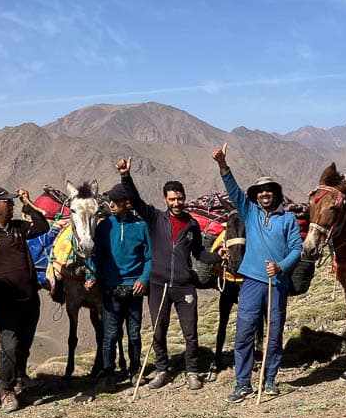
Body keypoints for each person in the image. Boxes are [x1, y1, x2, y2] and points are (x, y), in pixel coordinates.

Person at [114, 158, 222, 391]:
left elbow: (199, 253)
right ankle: (162, 370)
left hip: (184, 286)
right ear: (165, 199)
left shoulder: (192, 225)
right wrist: (125, 176)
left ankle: (192, 371)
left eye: (180, 198)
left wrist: (218, 256)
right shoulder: (155, 218)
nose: (176, 203)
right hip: (158, 285)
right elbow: (134, 199)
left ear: (184, 198)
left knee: (190, 332)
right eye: (172, 199)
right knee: (158, 330)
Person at [212, 143, 302, 403]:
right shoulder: (249, 212)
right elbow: (233, 191)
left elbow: (297, 248)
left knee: (274, 333)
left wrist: (281, 266)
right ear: (256, 195)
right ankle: (242, 383)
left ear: (276, 194)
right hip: (251, 281)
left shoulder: (287, 220)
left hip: (277, 283)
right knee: (244, 332)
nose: (264, 194)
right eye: (260, 191)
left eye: (269, 190)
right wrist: (222, 165)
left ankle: (270, 378)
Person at [0, 186, 50, 413]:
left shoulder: (18, 228)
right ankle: (5, 390)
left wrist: (28, 202)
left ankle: (19, 384)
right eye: (7, 202)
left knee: (24, 346)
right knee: (9, 345)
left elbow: (42, 225)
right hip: (3, 302)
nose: (12, 204)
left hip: (28, 298)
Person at [85, 183, 152, 391]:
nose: (111, 205)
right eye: (109, 201)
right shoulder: (105, 227)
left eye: (115, 201)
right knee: (111, 334)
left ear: (128, 203)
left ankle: (134, 369)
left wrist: (143, 278)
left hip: (134, 288)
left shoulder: (141, 226)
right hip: (110, 288)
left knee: (134, 333)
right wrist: (91, 274)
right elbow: (95, 255)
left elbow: (149, 257)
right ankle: (108, 372)